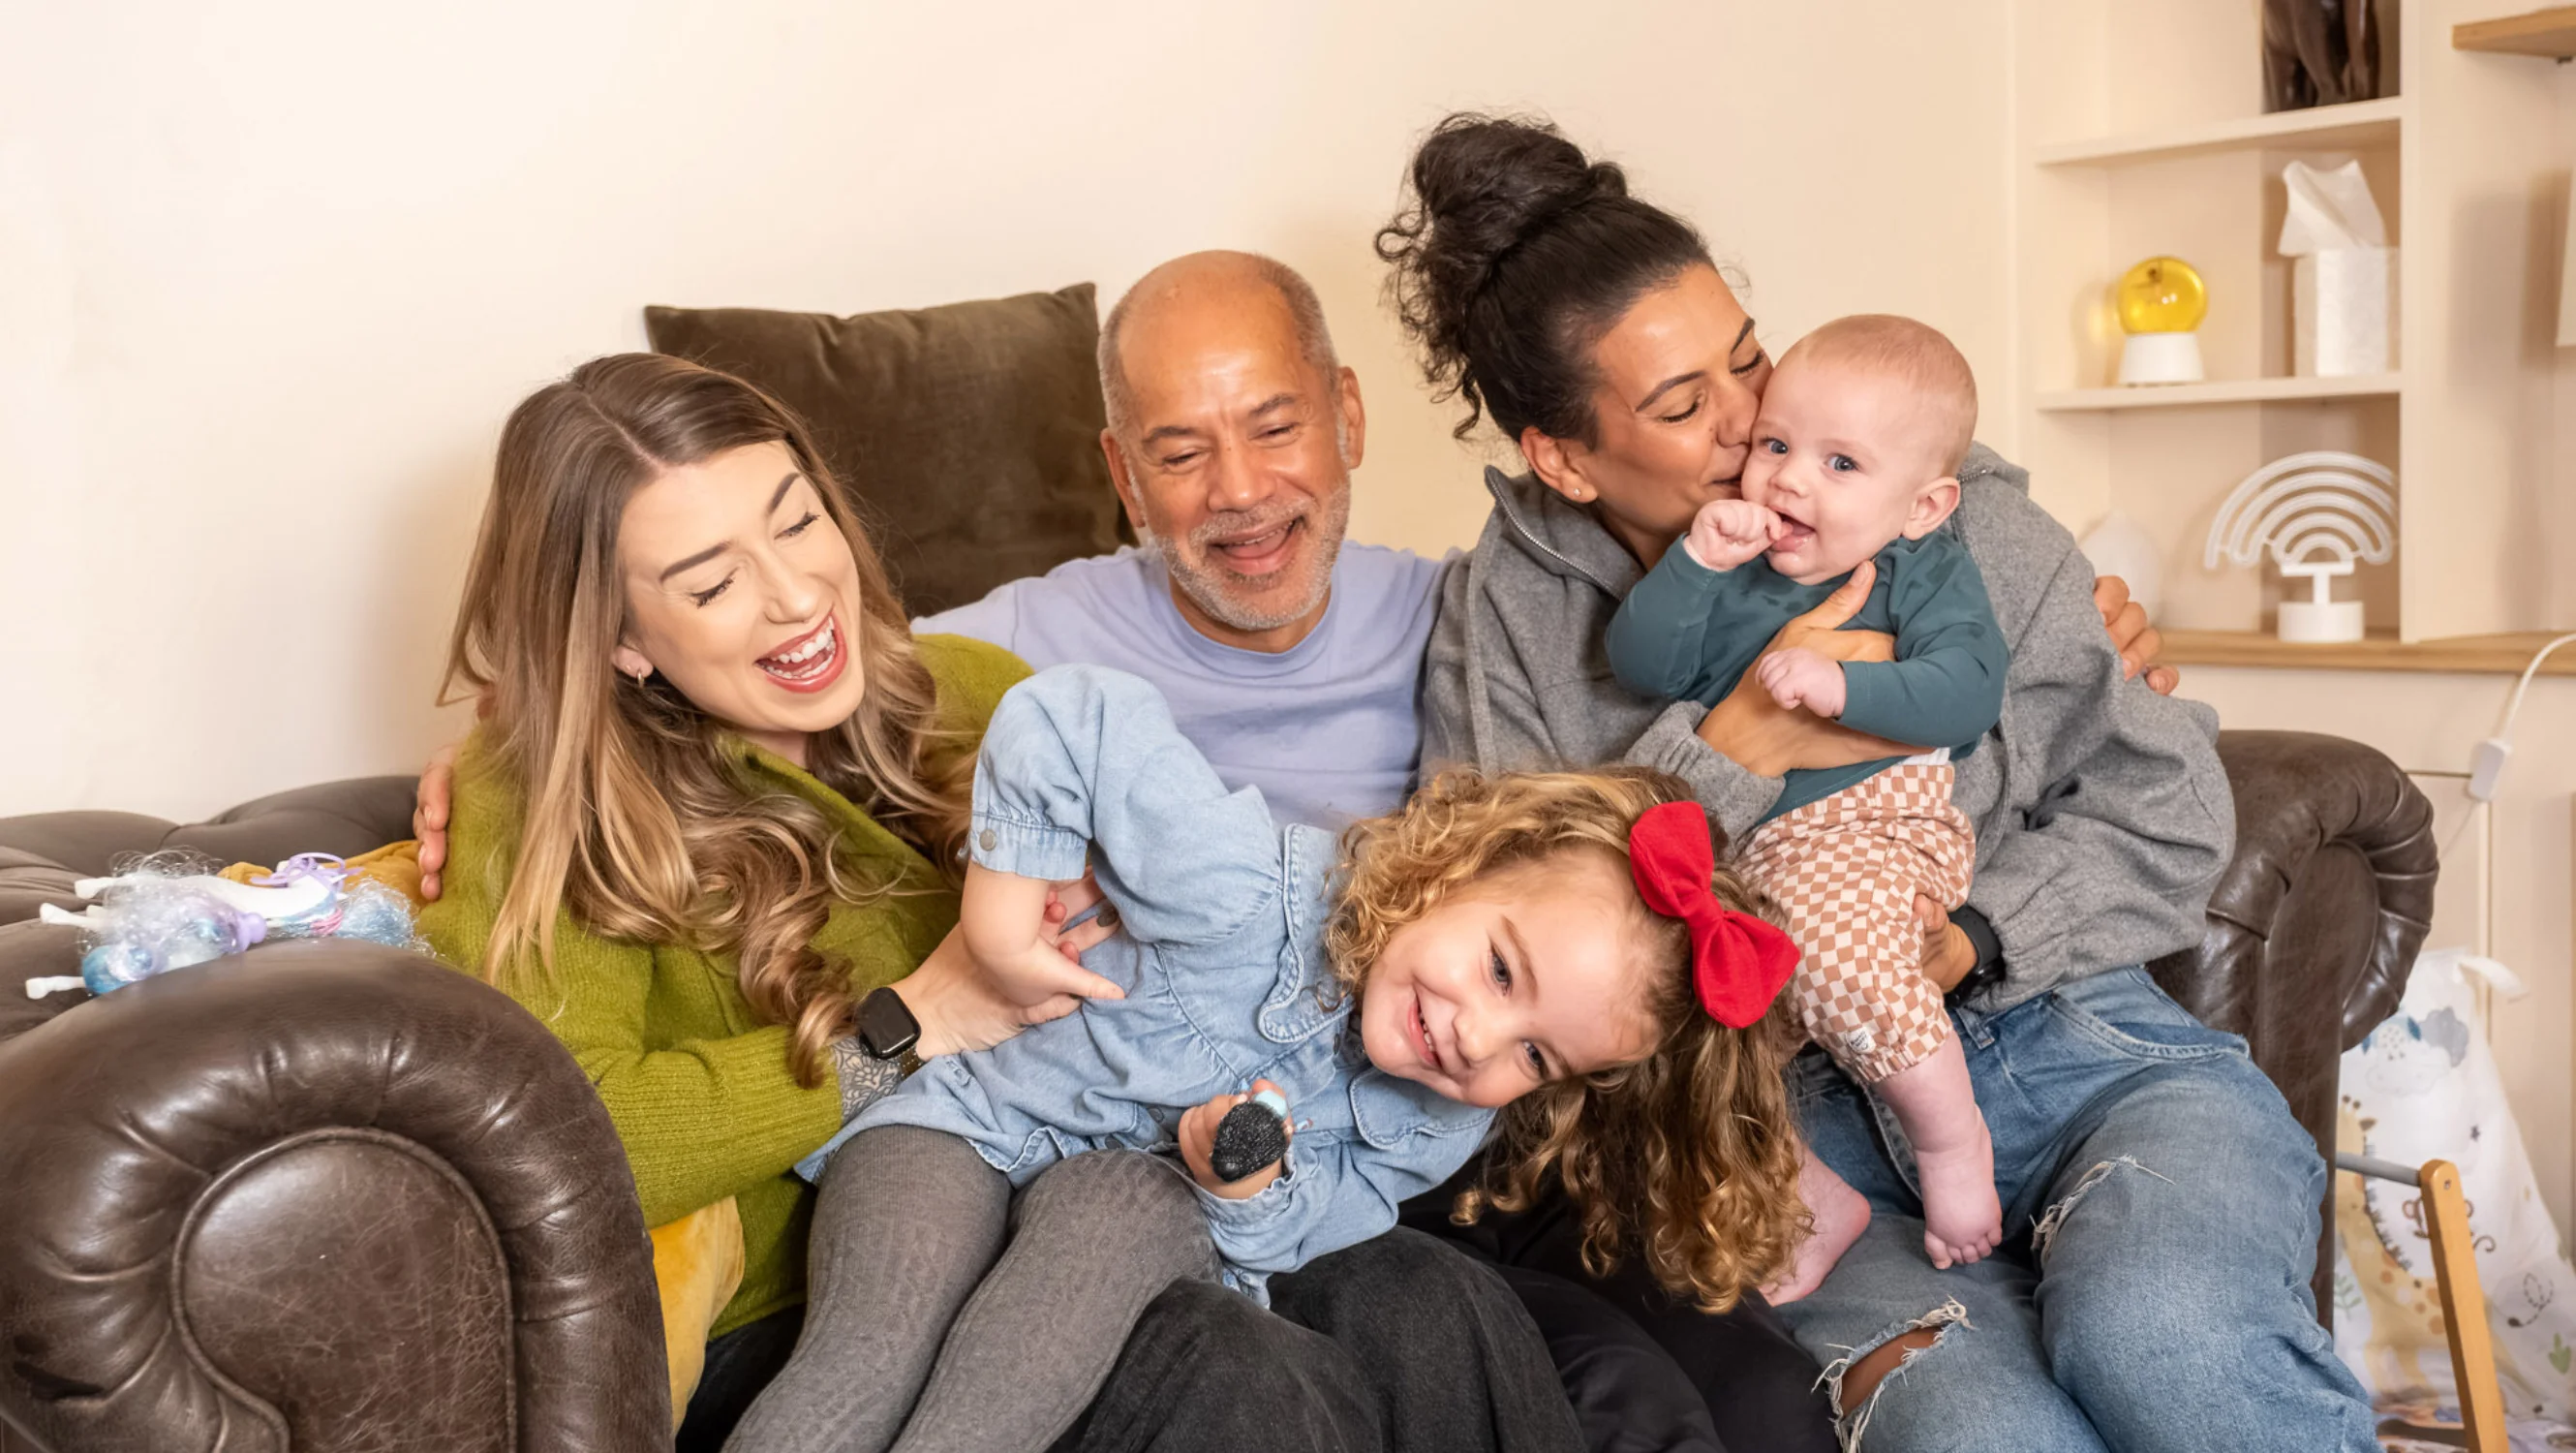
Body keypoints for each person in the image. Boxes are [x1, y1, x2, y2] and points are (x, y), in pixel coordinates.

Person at [1381, 111, 2375, 1450]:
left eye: (1749, 359)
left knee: (2162, 1334)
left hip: (2080, 1049)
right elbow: (1529, 988)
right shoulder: (1504, 634)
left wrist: (1968, 940)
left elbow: (2171, 805)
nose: (1756, 429)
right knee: (1982, 1435)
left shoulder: (1944, 509)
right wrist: (1729, 751)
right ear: (1561, 455)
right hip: (1799, 1141)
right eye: (1685, 407)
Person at [413, 352, 1578, 1453]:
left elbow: (1152, 816)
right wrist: (908, 1023)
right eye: (713, 583)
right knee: (1238, 1379)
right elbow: (555, 1144)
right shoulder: (538, 798)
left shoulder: (968, 690)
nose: (796, 597)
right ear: (617, 638)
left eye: (799, 521)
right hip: (831, 1283)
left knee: (1434, 1299)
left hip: (1104, 1184)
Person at [729, 665, 1808, 1453]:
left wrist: (1239, 1190)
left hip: (1120, 1192)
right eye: (1495, 970)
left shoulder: (1439, 1122)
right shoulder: (1241, 884)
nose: (1476, 1038)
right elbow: (1072, 717)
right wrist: (1002, 920)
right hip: (964, 1121)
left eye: (1534, 1052)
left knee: (1113, 1256)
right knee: (872, 1349)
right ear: (1454, 868)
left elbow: (1309, 1225)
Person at [1605, 314, 2007, 1294]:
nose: (1786, 480)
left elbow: (1968, 689)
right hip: (1761, 849)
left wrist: (1846, 692)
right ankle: (1812, 1199)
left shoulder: (1922, 569)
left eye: (1838, 465)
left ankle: (1950, 1149)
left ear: (1921, 506)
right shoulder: (1735, 564)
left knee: (1838, 958)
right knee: (1687, 1023)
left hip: (1875, 820)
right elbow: (1638, 665)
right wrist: (1693, 562)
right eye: (1776, 446)